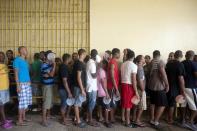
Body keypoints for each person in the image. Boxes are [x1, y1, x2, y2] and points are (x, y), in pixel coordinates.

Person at [149, 50, 169, 128]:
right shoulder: (160, 62)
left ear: (153, 55)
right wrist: (167, 84)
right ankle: (156, 121)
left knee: (152, 103)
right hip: (159, 86)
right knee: (162, 104)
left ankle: (151, 119)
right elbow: (163, 74)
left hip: (151, 86)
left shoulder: (151, 62)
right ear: (159, 55)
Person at [13, 46, 32, 126]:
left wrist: (29, 81)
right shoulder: (17, 60)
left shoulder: (25, 60)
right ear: (20, 51)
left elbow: (26, 73)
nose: (26, 50)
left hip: (27, 84)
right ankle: (19, 120)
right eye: (24, 49)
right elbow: (16, 73)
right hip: (21, 84)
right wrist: (18, 85)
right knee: (21, 103)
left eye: (26, 49)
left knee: (26, 102)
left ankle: (23, 118)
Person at [165, 50, 185, 124]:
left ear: (174, 55)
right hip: (175, 87)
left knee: (169, 103)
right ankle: (170, 120)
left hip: (167, 86)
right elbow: (181, 78)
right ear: (181, 56)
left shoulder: (169, 64)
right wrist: (182, 91)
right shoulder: (180, 65)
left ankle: (167, 117)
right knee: (172, 104)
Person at [121, 49, 139, 128]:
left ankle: (123, 118)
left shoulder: (123, 64)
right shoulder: (134, 66)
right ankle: (127, 122)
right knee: (128, 105)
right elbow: (134, 80)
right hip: (129, 86)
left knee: (124, 103)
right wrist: (136, 91)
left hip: (123, 84)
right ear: (133, 57)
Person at [181, 50, 197, 130]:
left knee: (184, 104)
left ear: (186, 55)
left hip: (182, 87)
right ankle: (190, 122)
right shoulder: (194, 64)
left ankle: (183, 121)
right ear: (193, 56)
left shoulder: (182, 63)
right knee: (195, 107)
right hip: (191, 87)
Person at [105, 48, 120, 128]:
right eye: (119, 53)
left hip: (113, 86)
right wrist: (116, 89)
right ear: (116, 54)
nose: (119, 55)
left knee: (112, 104)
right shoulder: (113, 62)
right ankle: (107, 121)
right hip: (111, 86)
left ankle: (112, 118)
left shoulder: (114, 62)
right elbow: (112, 76)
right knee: (108, 103)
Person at [41, 51, 56, 127]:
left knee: (49, 103)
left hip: (50, 85)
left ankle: (47, 117)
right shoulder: (44, 65)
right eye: (52, 56)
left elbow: (50, 75)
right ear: (48, 56)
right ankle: (44, 121)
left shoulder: (49, 64)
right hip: (47, 87)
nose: (53, 58)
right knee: (46, 104)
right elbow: (52, 74)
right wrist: (54, 65)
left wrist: (52, 65)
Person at [72, 49, 87, 128]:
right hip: (78, 87)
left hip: (78, 87)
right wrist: (82, 89)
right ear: (83, 54)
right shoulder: (79, 64)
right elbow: (78, 77)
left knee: (78, 103)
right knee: (77, 104)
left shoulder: (77, 62)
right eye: (85, 54)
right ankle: (78, 121)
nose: (85, 56)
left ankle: (76, 118)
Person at [85, 49, 99, 126]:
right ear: (95, 55)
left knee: (90, 103)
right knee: (91, 103)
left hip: (90, 86)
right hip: (91, 87)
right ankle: (90, 120)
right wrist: (99, 68)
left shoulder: (90, 62)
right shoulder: (92, 64)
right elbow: (94, 76)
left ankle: (87, 118)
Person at [58, 53, 73, 125]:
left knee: (64, 104)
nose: (71, 59)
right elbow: (64, 81)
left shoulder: (64, 66)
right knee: (63, 105)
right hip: (63, 89)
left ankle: (63, 118)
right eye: (70, 58)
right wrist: (69, 92)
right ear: (68, 59)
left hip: (63, 89)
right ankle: (63, 120)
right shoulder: (64, 67)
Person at [0, 52, 13, 129]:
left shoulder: (4, 65)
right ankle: (4, 122)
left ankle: (2, 119)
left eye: (2, 56)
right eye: (0, 56)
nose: (1, 57)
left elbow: (9, 75)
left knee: (3, 104)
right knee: (1, 105)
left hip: (5, 88)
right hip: (0, 89)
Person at [133, 55, 147, 127]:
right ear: (141, 60)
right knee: (141, 106)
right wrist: (143, 89)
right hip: (140, 90)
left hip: (137, 89)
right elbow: (140, 80)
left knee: (136, 105)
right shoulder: (140, 68)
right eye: (143, 58)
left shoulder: (136, 66)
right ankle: (137, 120)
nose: (145, 59)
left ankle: (134, 118)